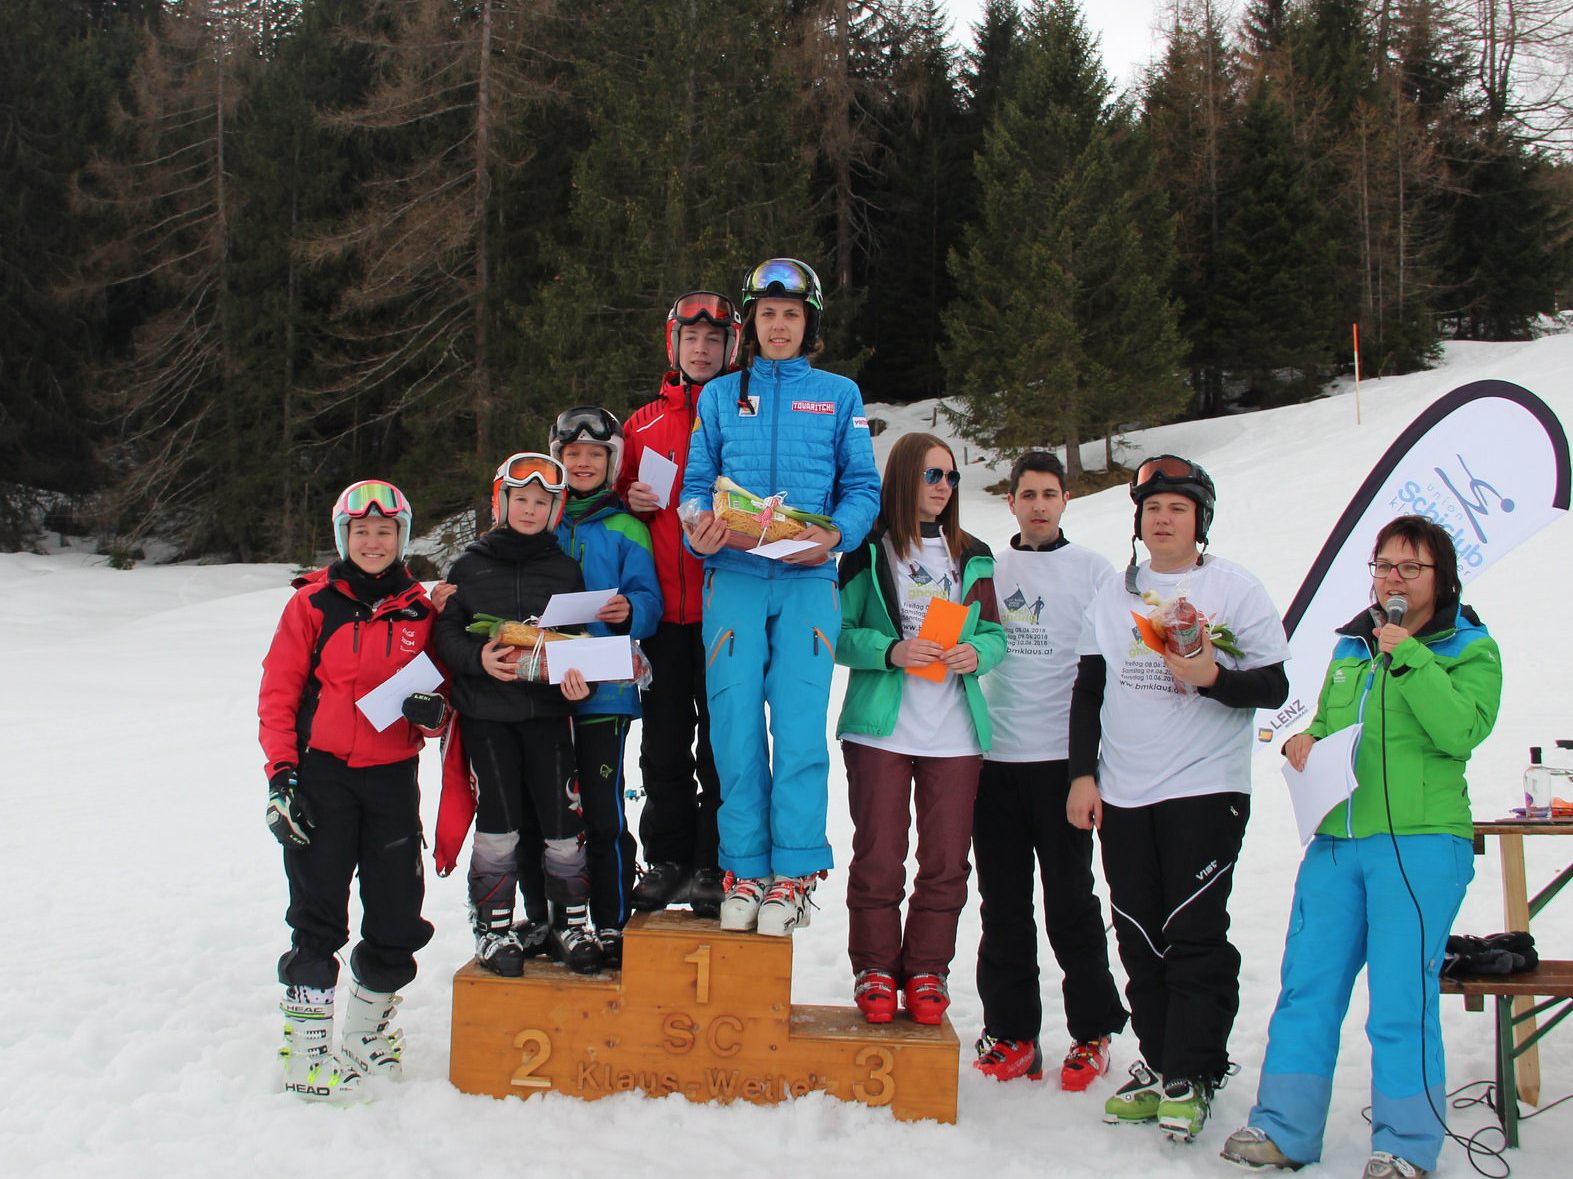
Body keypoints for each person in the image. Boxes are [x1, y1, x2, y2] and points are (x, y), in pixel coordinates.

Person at [1221, 516, 1502, 1179]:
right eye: (1383, 565)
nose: (1393, 579)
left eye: (1410, 567)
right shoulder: (1352, 646)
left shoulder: (1469, 647)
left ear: (1442, 577)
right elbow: (1325, 722)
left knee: (1401, 997)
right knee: (1306, 987)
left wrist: (1410, 655)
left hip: (1418, 844)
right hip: (1337, 841)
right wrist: (1304, 741)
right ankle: (1283, 1128)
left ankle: (1404, 1144)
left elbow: (1459, 729)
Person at [1067, 454, 1289, 1143]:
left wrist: (1213, 675)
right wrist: (1082, 774)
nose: (1162, 518)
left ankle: (1195, 1070)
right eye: (1152, 508)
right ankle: (1159, 1061)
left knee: (1191, 932)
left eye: (1177, 508)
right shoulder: (1113, 593)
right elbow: (1088, 687)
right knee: (1135, 931)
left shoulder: (1233, 588)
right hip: (1125, 787)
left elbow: (1274, 686)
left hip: (1204, 784)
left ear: (1199, 519)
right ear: (1137, 520)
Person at [679, 257, 881, 936]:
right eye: (766, 314)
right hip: (733, 576)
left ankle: (792, 871)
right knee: (733, 730)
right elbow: (694, 485)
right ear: (751, 324)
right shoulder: (716, 398)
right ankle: (743, 866)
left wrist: (837, 536)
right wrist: (697, 530)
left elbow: (862, 489)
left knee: (797, 729)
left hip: (806, 579)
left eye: (790, 314)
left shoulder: (839, 394)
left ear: (808, 322)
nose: (778, 325)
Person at [258, 480, 445, 1101]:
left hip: (393, 780)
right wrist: (282, 778)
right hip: (323, 777)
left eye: (385, 531)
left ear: (402, 539)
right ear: (344, 537)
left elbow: (444, 703)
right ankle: (307, 1050)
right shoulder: (313, 606)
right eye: (361, 531)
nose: (373, 541)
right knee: (317, 914)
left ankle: (366, 1034)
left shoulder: (422, 611)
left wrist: (432, 712)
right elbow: (279, 695)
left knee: (396, 913)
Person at [835, 433, 1005, 1024]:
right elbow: (837, 633)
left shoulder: (974, 553)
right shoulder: (866, 551)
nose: (943, 488)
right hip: (881, 728)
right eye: (933, 475)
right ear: (905, 477)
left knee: (946, 862)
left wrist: (975, 655)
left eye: (952, 478)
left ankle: (929, 969)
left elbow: (995, 636)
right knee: (880, 856)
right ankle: (876, 968)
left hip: (955, 732)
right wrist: (890, 650)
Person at [971, 450, 1128, 1088]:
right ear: (1010, 501)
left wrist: (1089, 769)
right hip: (994, 762)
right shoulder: (987, 567)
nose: (1039, 505)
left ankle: (1091, 1033)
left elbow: (1107, 673)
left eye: (1050, 494)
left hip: (1063, 764)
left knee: (1070, 903)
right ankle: (1012, 1033)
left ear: (1065, 501)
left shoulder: (1094, 571)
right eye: (1027, 494)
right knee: (1002, 905)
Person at [432, 453, 599, 976]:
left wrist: (581, 679)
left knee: (561, 820)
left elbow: (579, 639)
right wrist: (477, 658)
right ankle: (493, 926)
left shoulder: (564, 568)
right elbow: (446, 635)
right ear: (500, 502)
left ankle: (570, 921)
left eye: (542, 502)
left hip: (549, 716)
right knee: (499, 823)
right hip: (487, 717)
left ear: (556, 510)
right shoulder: (469, 566)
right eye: (520, 499)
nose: (530, 509)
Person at [616, 292, 741, 917]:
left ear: (730, 348)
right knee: (664, 746)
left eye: (714, 342)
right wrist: (628, 500)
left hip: (727, 612)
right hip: (663, 615)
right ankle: (666, 859)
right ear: (674, 346)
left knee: (722, 744)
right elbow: (603, 508)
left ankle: (713, 863)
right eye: (691, 341)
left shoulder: (746, 413)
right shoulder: (638, 427)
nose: (702, 350)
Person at [544, 406, 661, 968]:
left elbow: (651, 604)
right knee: (549, 811)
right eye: (572, 455)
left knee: (603, 809)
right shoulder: (540, 516)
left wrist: (627, 612)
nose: (583, 463)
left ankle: (612, 921)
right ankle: (553, 918)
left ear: (611, 462)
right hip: (541, 690)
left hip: (605, 689)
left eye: (595, 455)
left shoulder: (626, 526)